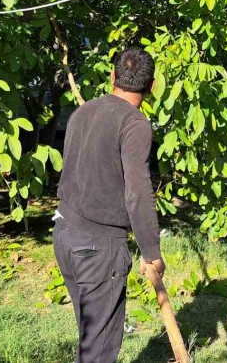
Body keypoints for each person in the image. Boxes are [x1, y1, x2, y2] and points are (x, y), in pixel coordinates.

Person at [53, 48, 165, 363]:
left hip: (64, 233)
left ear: (113, 77)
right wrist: (152, 252)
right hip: (98, 247)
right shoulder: (135, 124)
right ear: (151, 86)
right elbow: (138, 191)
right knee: (99, 349)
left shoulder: (83, 112)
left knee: (90, 338)